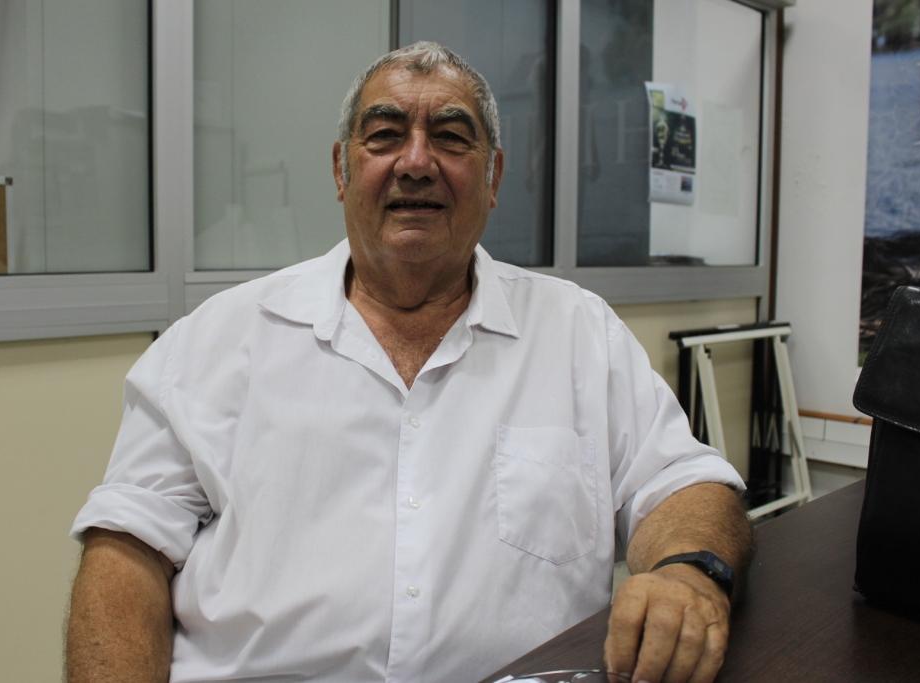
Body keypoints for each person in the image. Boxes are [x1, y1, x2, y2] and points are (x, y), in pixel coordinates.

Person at [66, 42, 752, 683]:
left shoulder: (579, 333)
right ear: (342, 169)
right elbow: (126, 549)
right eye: (385, 135)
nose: (416, 162)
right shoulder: (217, 339)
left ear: (493, 176)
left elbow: (683, 481)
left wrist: (688, 572)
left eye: (451, 138)